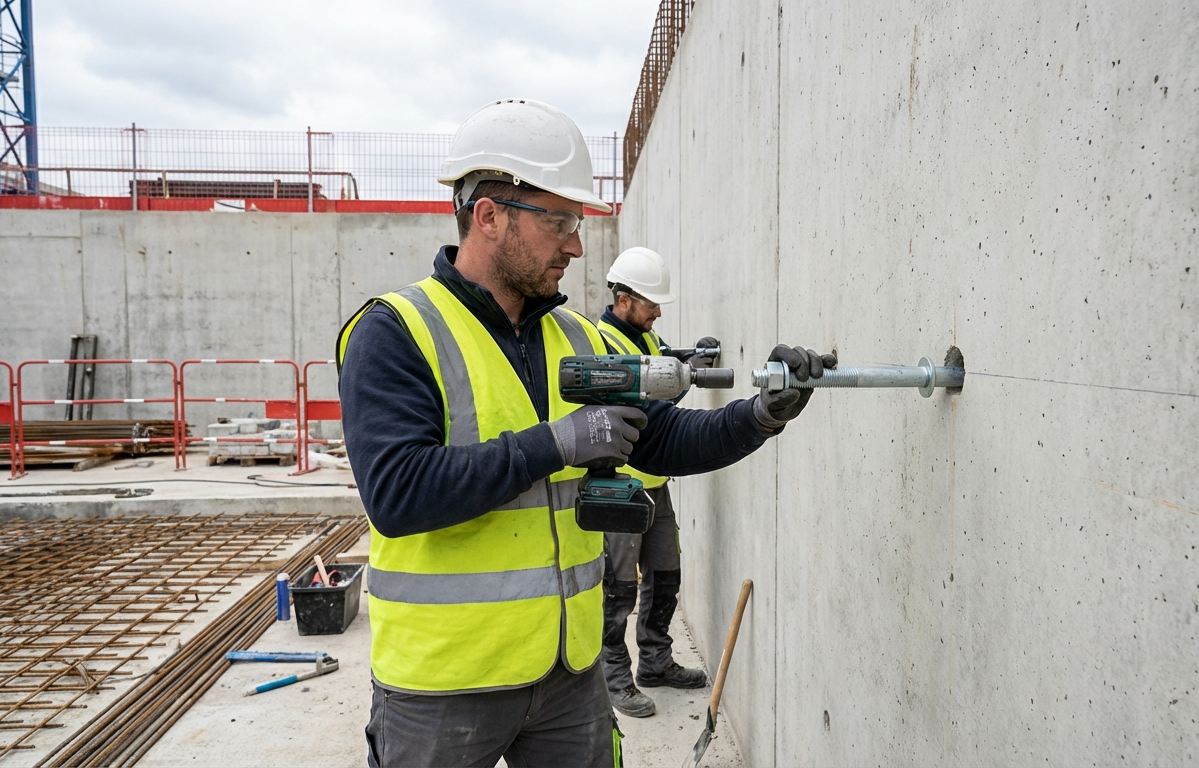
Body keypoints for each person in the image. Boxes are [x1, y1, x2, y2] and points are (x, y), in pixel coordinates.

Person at [338, 97, 835, 768]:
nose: (575, 243)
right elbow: (397, 496)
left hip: (568, 676)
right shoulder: (396, 332)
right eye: (561, 221)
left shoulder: (576, 338)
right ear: (488, 216)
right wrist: (557, 444)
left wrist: (761, 413)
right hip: (443, 685)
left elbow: (662, 440)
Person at [594, 246, 717, 718]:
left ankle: (656, 662)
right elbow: (650, 392)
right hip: (622, 485)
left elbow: (664, 360)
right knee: (618, 587)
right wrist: (686, 374)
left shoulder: (644, 338)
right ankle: (615, 677)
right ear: (623, 300)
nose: (658, 312)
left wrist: (692, 358)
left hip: (654, 482)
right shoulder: (604, 345)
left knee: (666, 573)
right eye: (651, 304)